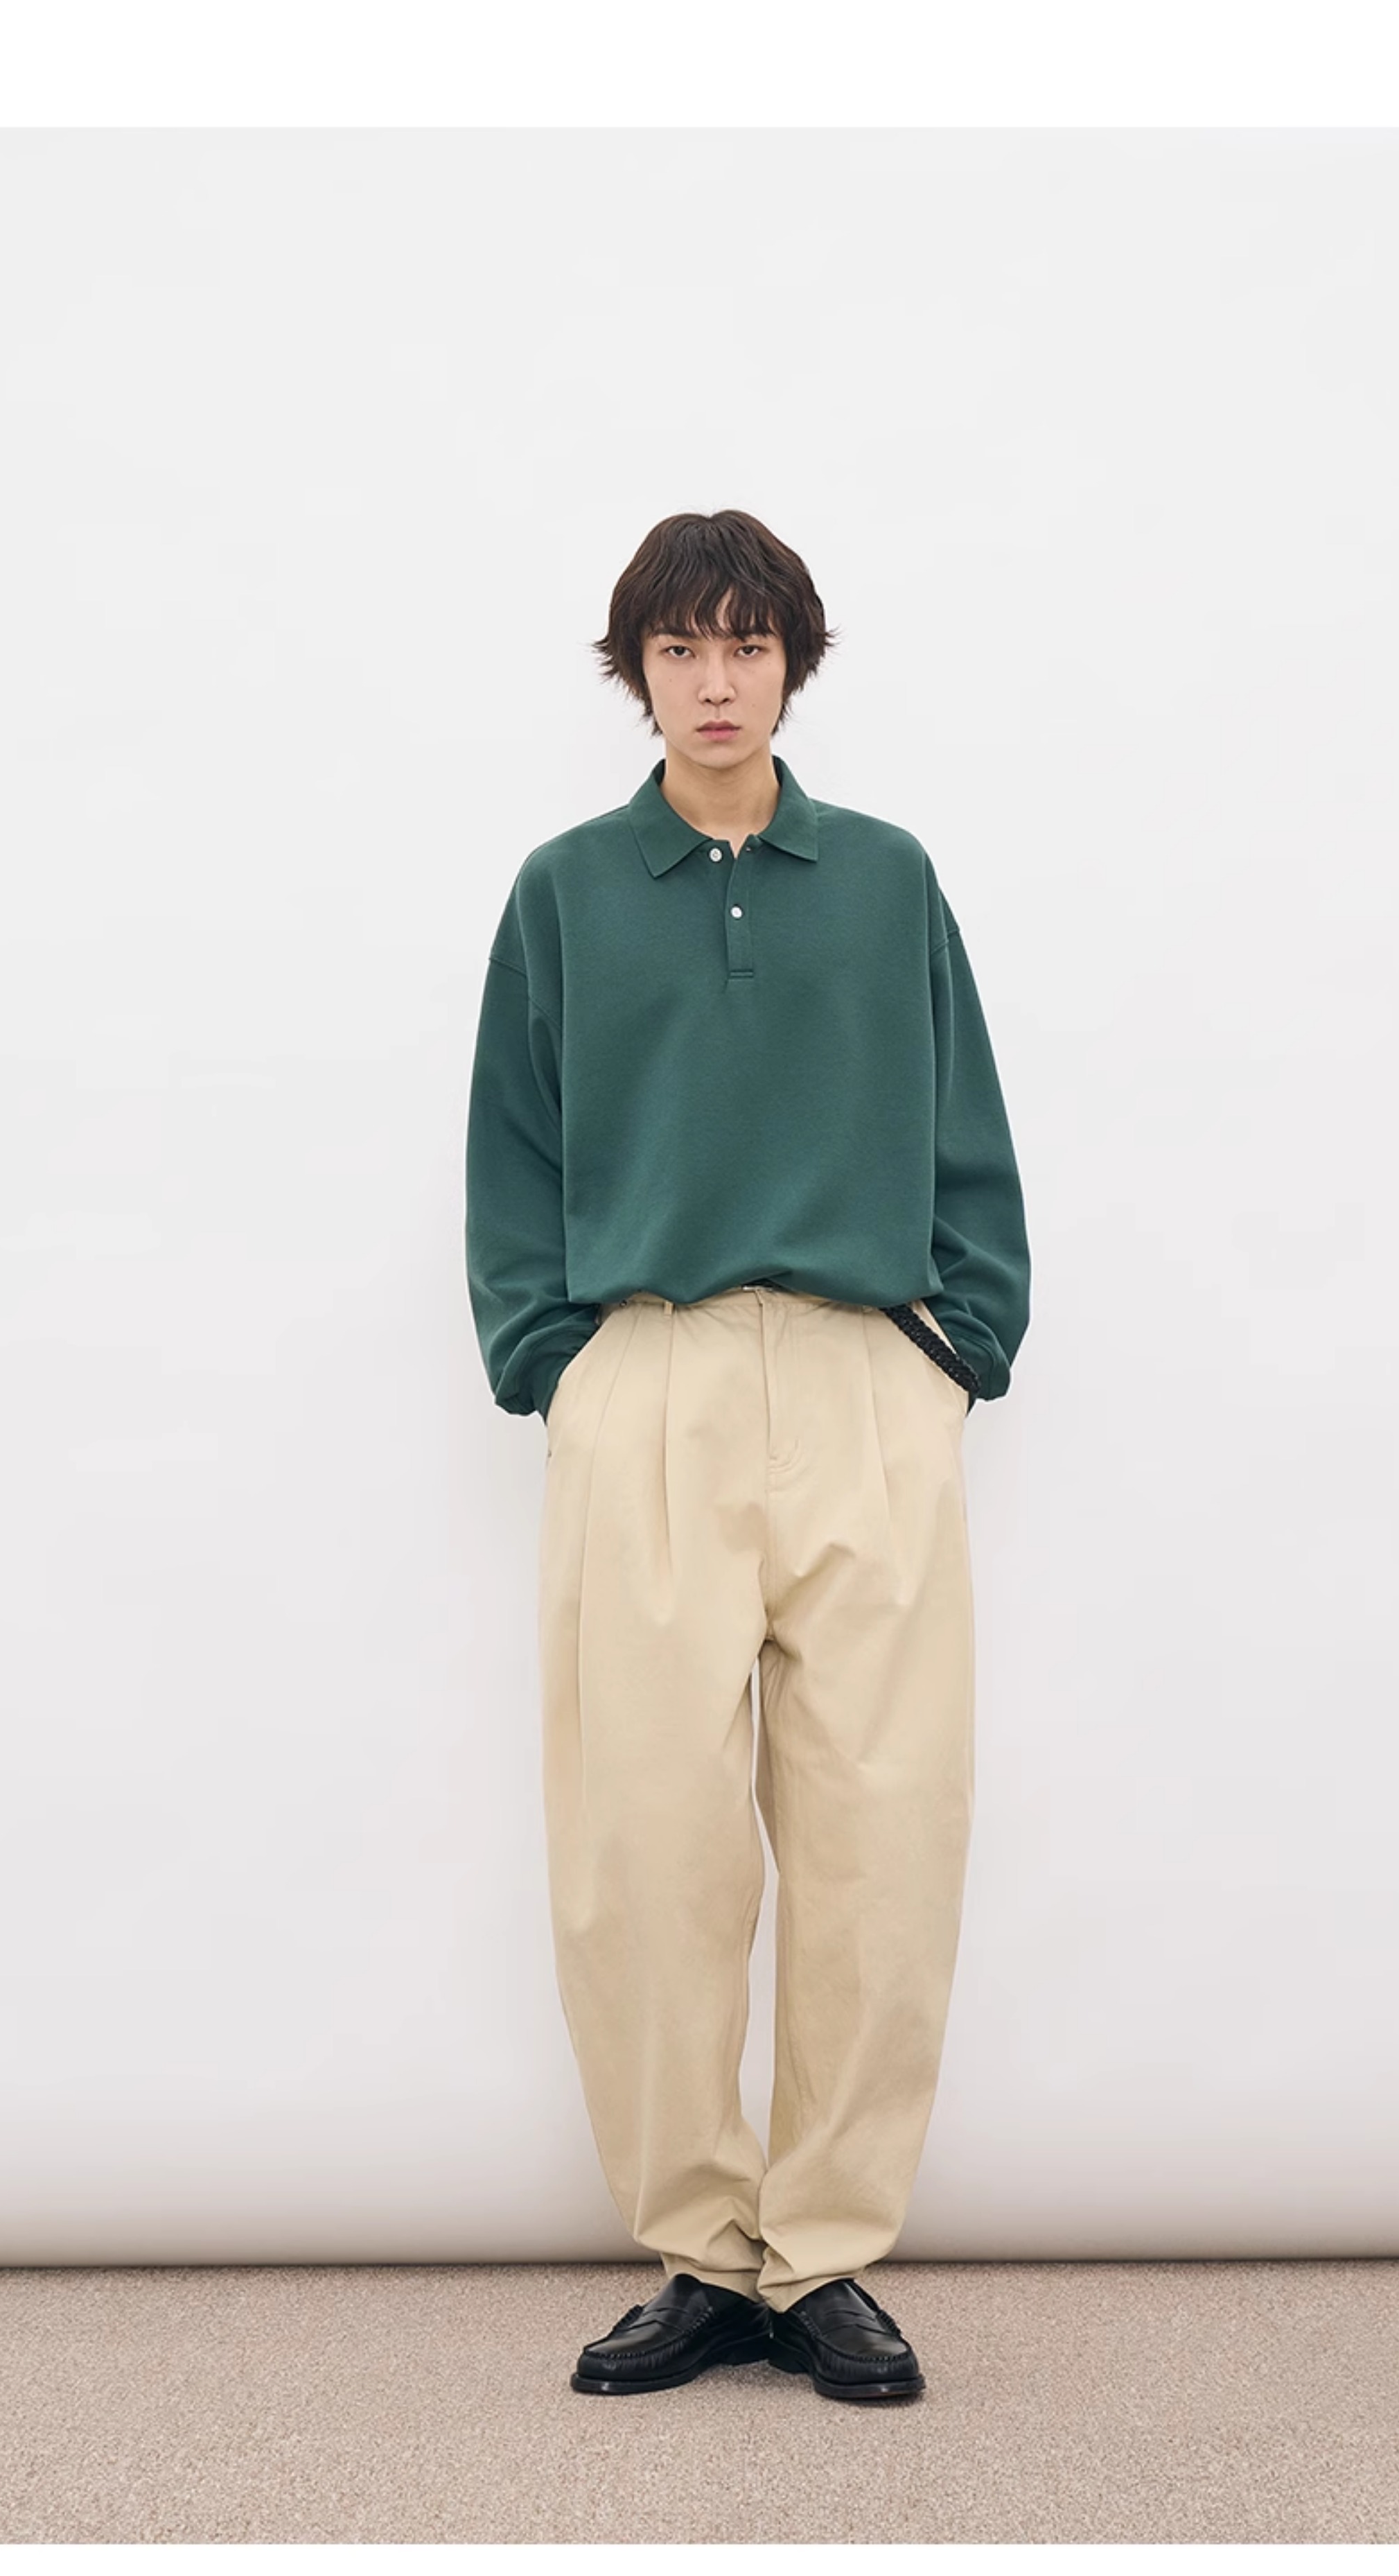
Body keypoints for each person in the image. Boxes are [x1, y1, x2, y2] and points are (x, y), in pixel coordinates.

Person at [464, 509, 1030, 2405]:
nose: (717, 682)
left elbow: (968, 1129)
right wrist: (555, 1363)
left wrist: (959, 1348)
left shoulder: (886, 881)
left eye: (749, 645)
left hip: (868, 1377)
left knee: (884, 1827)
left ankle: (828, 2254)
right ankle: (701, 2252)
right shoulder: (565, 890)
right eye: (682, 649)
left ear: (795, 661)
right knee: (644, 1840)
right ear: (636, 672)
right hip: (650, 1376)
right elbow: (513, 1148)